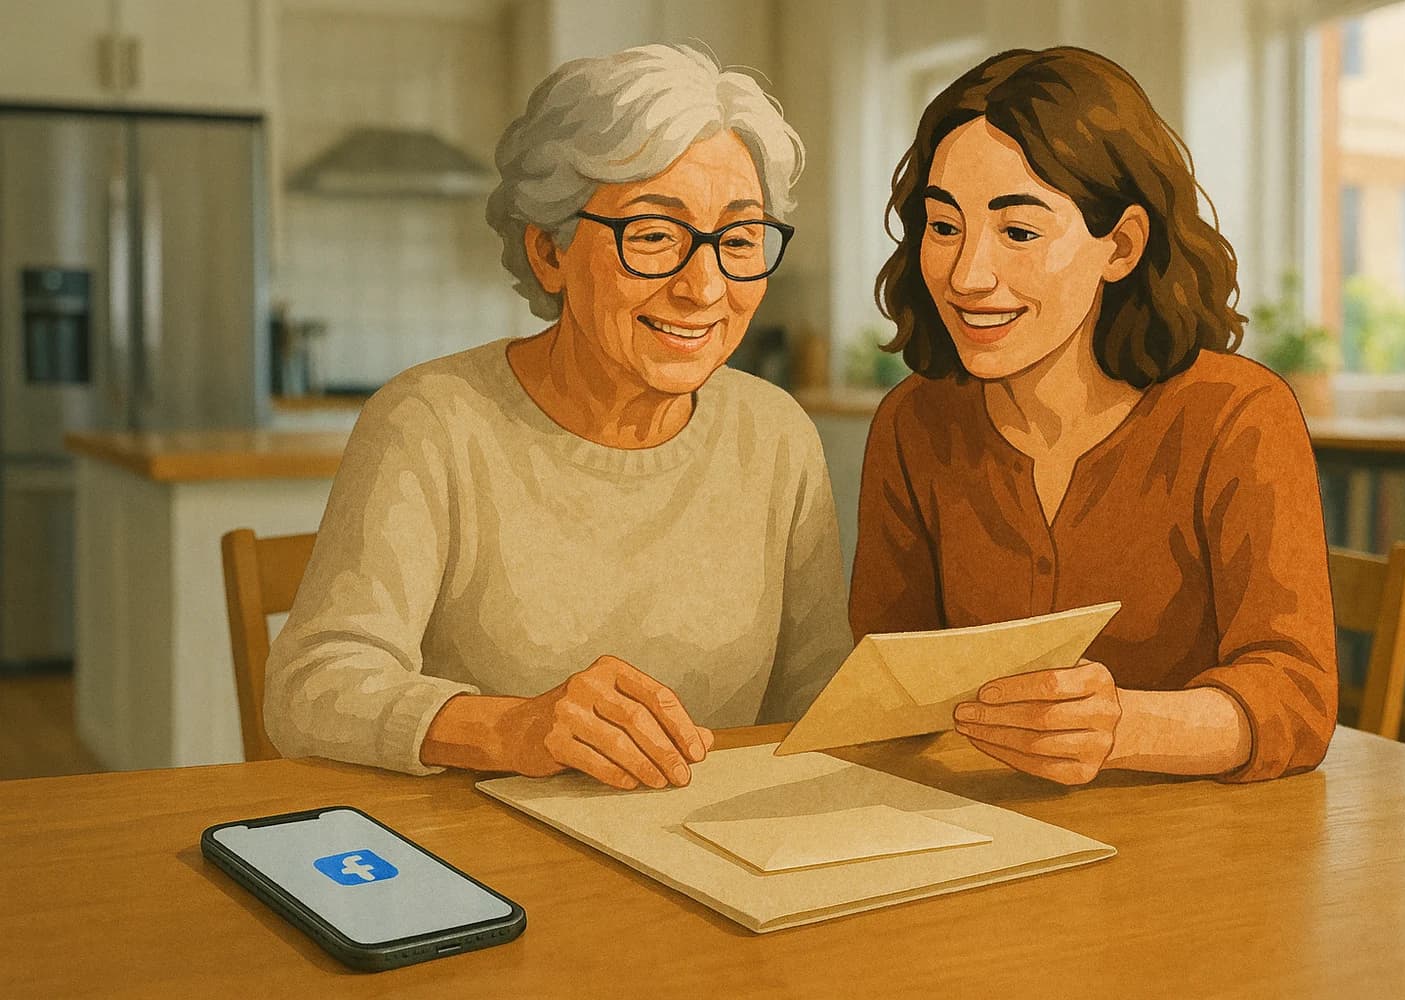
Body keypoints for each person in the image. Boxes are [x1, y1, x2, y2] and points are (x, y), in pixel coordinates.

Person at [264, 44, 852, 789]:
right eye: (652, 236)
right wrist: (511, 728)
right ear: (549, 253)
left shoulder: (776, 434)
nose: (705, 287)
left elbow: (818, 699)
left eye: (737, 241)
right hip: (481, 861)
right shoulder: (433, 420)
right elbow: (309, 689)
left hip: (713, 862)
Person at [850, 46, 1336, 785]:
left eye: (1018, 232)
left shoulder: (1238, 415)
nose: (966, 275)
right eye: (943, 227)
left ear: (1122, 245)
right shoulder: (914, 424)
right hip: (980, 838)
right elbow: (884, 678)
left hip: (1201, 854)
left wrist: (1127, 728)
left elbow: (1297, 698)